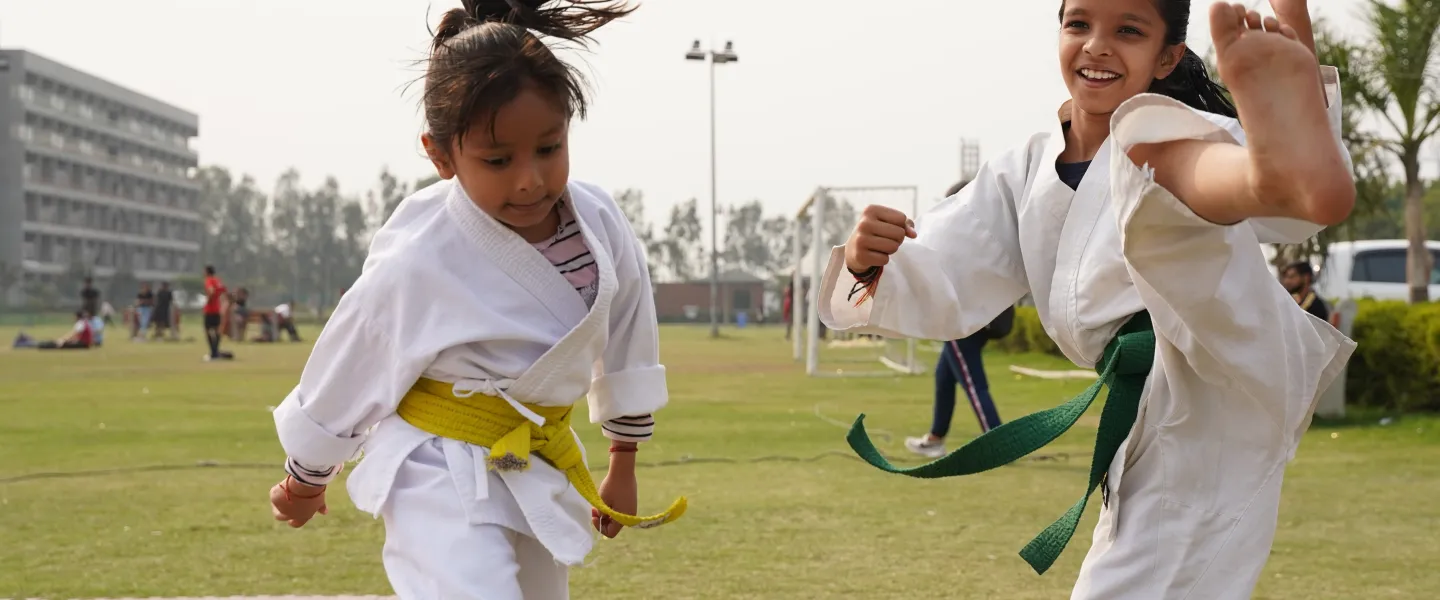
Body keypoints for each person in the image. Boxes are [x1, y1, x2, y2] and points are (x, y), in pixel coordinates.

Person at [823, 2, 1355, 598]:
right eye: (1079, 24)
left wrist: (1290, 117)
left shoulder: (1170, 130)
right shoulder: (1023, 168)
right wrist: (868, 260)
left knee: (1160, 152)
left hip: (1210, 383)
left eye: (1127, 30)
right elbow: (943, 267)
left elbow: (1283, 223)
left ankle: (1278, 162)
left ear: (1167, 57)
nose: (1097, 46)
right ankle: (1283, 159)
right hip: (1151, 409)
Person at [267, 2, 683, 598]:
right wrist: (307, 476)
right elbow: (358, 356)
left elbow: (627, 338)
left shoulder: (598, 221)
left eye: (549, 148)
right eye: (497, 160)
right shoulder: (422, 250)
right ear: (441, 156)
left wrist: (623, 462)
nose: (529, 179)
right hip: (437, 466)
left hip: (529, 459)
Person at [202, 266, 233, 361]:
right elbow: (226, 292)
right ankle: (215, 352)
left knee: (208, 330)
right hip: (217, 309)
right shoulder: (218, 280)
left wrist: (208, 300)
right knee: (216, 331)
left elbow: (211, 291)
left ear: (207, 272)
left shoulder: (209, 280)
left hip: (210, 309)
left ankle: (213, 352)